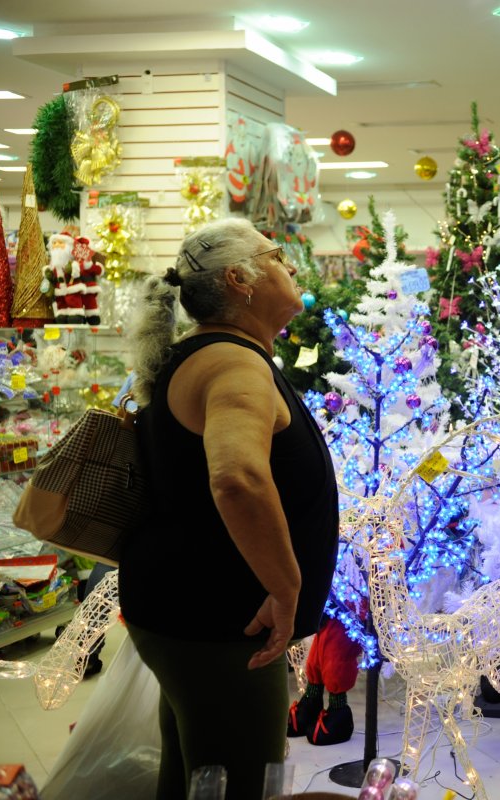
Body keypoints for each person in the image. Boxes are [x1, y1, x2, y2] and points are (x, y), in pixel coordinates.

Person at [119, 218, 339, 800]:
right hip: (221, 622)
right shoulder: (233, 362)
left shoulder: (214, 354)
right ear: (241, 280)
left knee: (198, 773)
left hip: (195, 611)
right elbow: (237, 478)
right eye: (277, 256)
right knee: (237, 779)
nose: (290, 266)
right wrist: (287, 585)